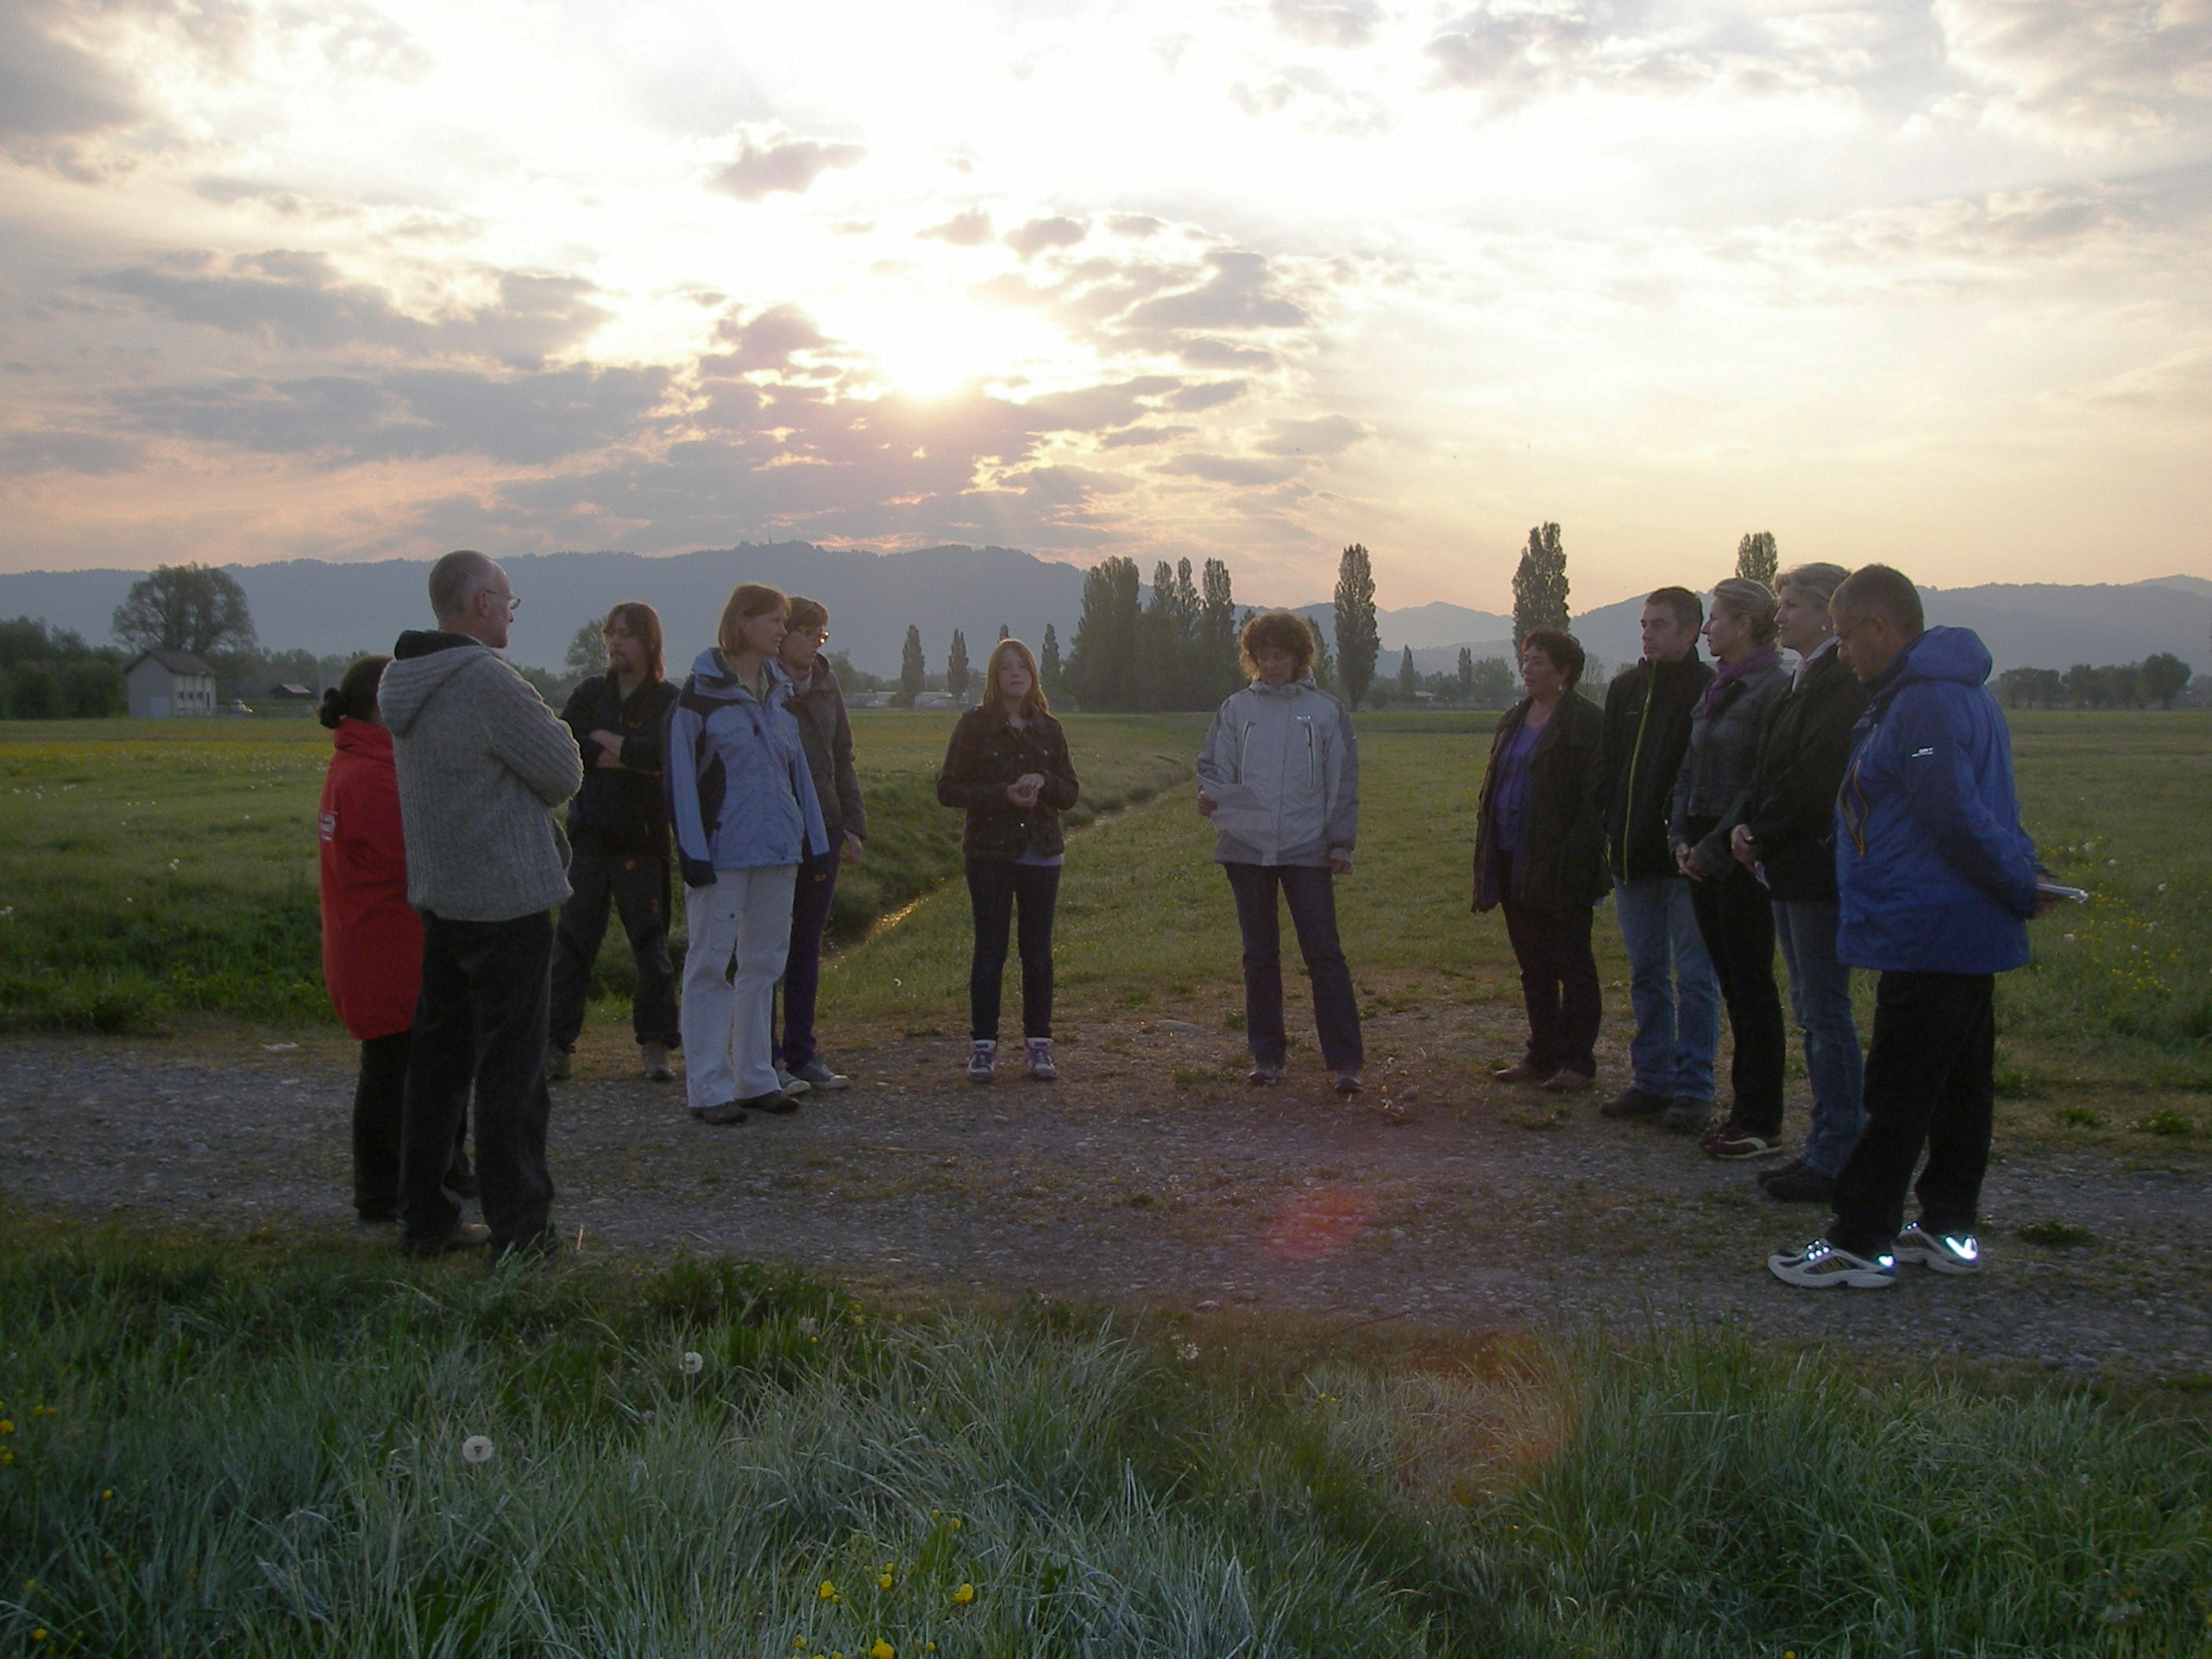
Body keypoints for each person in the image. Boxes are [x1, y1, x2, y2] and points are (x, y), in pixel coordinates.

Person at [1771, 565, 2054, 1289]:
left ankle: (1861, 1239)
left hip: (1931, 927)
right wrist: (2020, 877)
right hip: (1962, 926)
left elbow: (1952, 815)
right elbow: (1983, 807)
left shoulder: (1924, 703)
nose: (1841, 654)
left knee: (1899, 1090)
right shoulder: (1955, 695)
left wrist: (2019, 884)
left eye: (1845, 638)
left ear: (1880, 626)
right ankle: (1946, 1227)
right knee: (1960, 1087)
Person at [380, 551, 583, 1261]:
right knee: (512, 1075)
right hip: (506, 901)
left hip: (442, 895)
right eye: (507, 601)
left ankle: (425, 1217)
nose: (511, 615)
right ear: (481, 603)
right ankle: (521, 1233)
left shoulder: (402, 680)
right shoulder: (485, 680)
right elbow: (562, 771)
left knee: (437, 1066)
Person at [1723, 563, 1868, 1203]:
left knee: (1824, 1012)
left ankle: (1839, 1153)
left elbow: (1816, 777)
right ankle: (1825, 1145)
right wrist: (1748, 823)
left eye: (1791, 607)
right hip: (1786, 864)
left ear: (1828, 614)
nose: (1778, 617)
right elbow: (1770, 767)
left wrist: (1761, 832)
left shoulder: (1839, 684)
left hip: (1813, 868)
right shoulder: (1803, 680)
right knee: (1812, 1008)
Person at [314, 656, 470, 1225]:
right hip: (387, 947)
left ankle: (442, 1168)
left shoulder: (356, 764)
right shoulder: (374, 778)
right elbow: (417, 857)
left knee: (413, 1064)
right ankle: (381, 1190)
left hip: (372, 943)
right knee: (393, 1072)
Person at [666, 583, 829, 1124]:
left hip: (778, 850)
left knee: (763, 964)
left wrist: (814, 842)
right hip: (723, 854)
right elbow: (681, 779)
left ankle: (755, 1077)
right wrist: (692, 851)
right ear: (743, 623)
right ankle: (708, 1087)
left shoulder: (780, 693)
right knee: (711, 965)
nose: (783, 630)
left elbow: (797, 774)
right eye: (773, 620)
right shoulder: (699, 696)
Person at [1195, 611, 1364, 1095]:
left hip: (1307, 849)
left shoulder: (1326, 712)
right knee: (1259, 956)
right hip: (1247, 850)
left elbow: (1342, 782)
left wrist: (1339, 843)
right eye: (1263, 656)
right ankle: (1267, 1058)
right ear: (1252, 658)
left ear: (1298, 658)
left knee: (1324, 954)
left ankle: (1346, 1062)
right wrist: (1209, 797)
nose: (1271, 665)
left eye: (1280, 656)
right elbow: (1213, 767)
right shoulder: (1235, 710)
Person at [1668, 577, 1791, 1155]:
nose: (1708, 629)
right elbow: (1689, 768)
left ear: (1744, 625)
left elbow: (1757, 781)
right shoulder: (1718, 688)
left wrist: (1713, 847)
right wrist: (1679, 838)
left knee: (1751, 987)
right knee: (1731, 985)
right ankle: (1742, 1112)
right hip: (1699, 853)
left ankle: (1760, 1118)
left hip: (1739, 859)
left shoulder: (1773, 691)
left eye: (1716, 618)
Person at [1595, 588, 1721, 1124]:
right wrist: (1609, 825)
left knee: (1694, 976)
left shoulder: (1708, 690)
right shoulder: (1624, 689)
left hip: (1684, 860)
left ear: (1691, 632)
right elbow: (1608, 766)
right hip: (1631, 857)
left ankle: (1693, 1088)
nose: (1647, 634)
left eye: (1660, 625)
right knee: (1646, 973)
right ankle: (1651, 1080)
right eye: (1644, 624)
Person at [548, 602, 680, 1084]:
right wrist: (628, 754)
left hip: (642, 845)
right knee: (571, 947)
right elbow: (567, 751)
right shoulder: (589, 694)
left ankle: (656, 1046)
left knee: (651, 950)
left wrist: (607, 740)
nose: (616, 642)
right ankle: (555, 1046)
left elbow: (663, 758)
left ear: (649, 642)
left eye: (627, 634)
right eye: (612, 633)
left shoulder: (667, 700)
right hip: (588, 842)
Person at [1472, 626, 1609, 1091]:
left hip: (1563, 864)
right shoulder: (1513, 718)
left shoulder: (1585, 723)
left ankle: (1577, 1062)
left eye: (1539, 662)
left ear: (1564, 671)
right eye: (1526, 660)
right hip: (1511, 858)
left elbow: (1594, 799)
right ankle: (1541, 1055)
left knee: (1573, 963)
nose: (1528, 670)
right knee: (1534, 964)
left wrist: (1575, 855)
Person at [937, 638, 1079, 1084]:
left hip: (1042, 849)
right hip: (989, 852)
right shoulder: (974, 726)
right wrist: (1003, 794)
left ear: (1033, 676)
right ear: (994, 678)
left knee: (1037, 952)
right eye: (1006, 668)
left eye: (1023, 667)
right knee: (990, 950)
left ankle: (1039, 1045)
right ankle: (983, 1047)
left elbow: (1071, 793)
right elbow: (948, 789)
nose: (1015, 674)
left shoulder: (1049, 729)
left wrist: (1045, 780)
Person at [772, 596, 867, 1094]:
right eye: (807, 633)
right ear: (781, 634)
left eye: (821, 635)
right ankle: (763, 1057)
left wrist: (852, 823)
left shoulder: (828, 685)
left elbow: (842, 756)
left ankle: (802, 1052)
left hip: (824, 828)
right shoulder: (761, 684)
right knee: (766, 944)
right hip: (775, 828)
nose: (815, 643)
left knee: (807, 944)